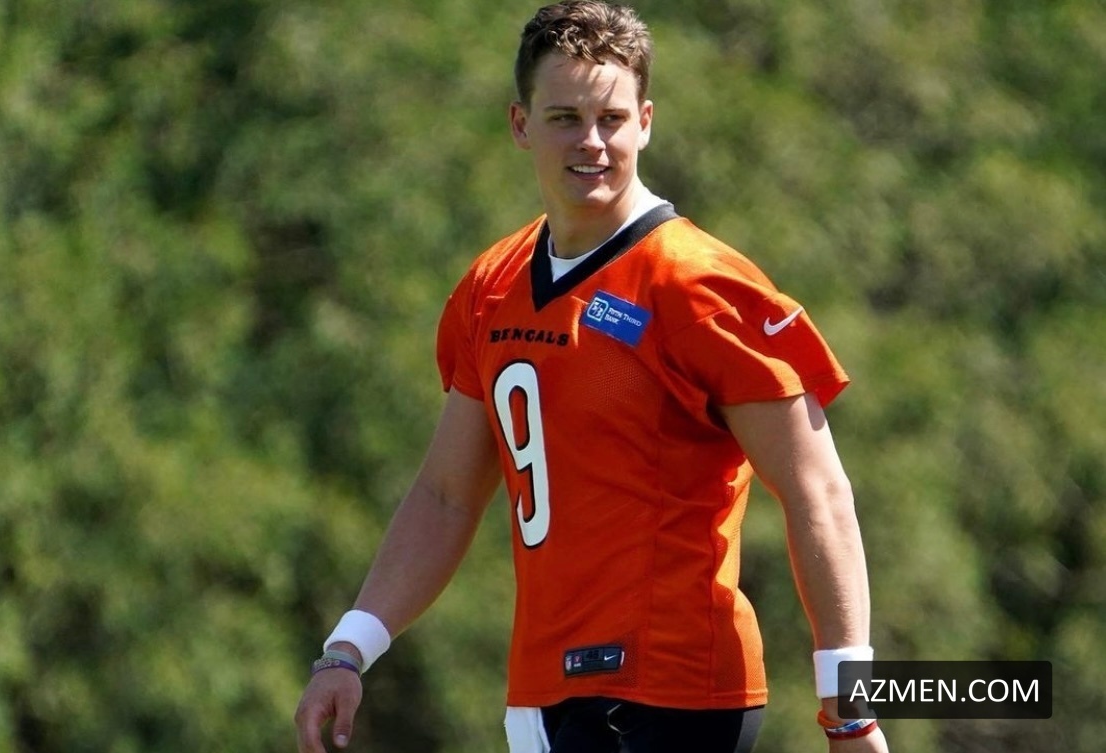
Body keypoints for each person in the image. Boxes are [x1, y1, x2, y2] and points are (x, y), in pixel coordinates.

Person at [294, 2, 890, 751]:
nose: (592, 142)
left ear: (646, 122)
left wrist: (851, 706)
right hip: (541, 690)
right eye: (565, 118)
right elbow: (446, 495)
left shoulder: (696, 283)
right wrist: (349, 648)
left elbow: (817, 489)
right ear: (521, 124)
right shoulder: (493, 284)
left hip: (667, 687)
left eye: (611, 118)